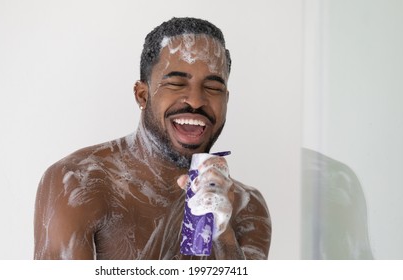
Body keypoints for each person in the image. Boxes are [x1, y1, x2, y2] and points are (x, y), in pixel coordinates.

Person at [34, 17, 271, 260]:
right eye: (177, 83)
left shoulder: (247, 207)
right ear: (142, 95)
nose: (197, 100)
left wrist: (222, 234)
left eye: (213, 88)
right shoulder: (78, 182)